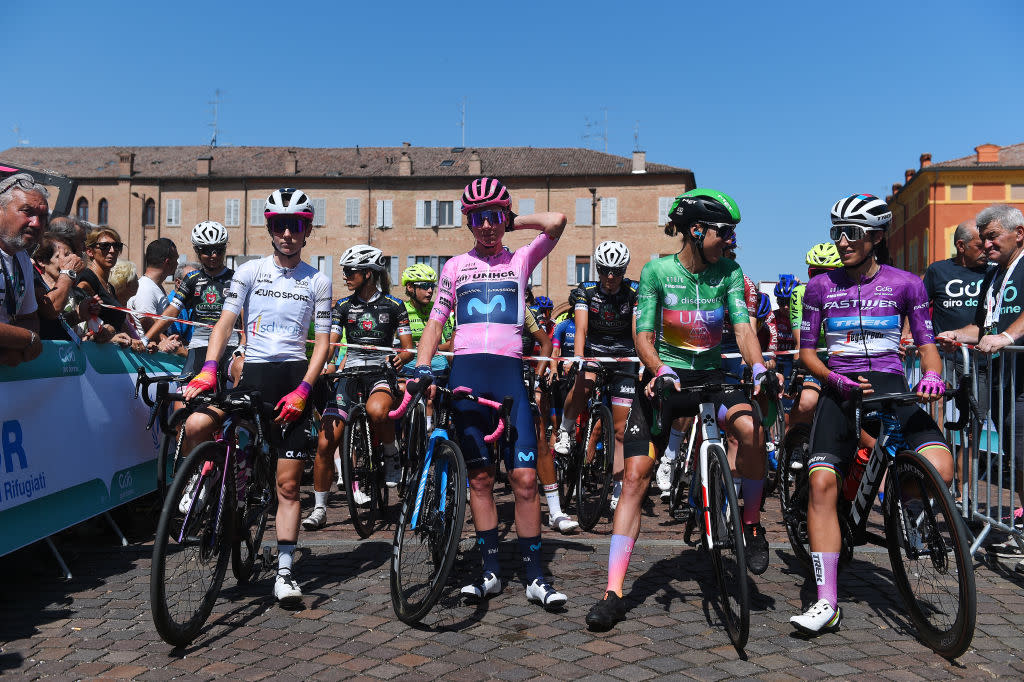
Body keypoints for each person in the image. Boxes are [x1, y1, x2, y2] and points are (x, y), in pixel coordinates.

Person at [586, 188, 774, 630]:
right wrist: (658, 368)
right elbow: (643, 337)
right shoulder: (656, 272)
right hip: (665, 380)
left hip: (713, 378)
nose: (731, 241)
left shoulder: (729, 272)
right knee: (634, 477)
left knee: (753, 432)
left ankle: (750, 524)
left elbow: (743, 330)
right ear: (695, 230)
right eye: (724, 232)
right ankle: (613, 592)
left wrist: (760, 366)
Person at [408, 177, 569, 608]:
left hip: (508, 377)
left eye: (494, 216)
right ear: (468, 221)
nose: (487, 226)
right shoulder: (454, 267)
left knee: (525, 480)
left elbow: (557, 222)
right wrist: (423, 366)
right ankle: (491, 570)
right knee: (479, 479)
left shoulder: (520, 259)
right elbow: (435, 325)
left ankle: (536, 576)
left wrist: (513, 220)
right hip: (466, 377)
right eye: (479, 218)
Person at [792, 193, 949, 634]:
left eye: (853, 233)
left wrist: (932, 375)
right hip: (839, 386)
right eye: (836, 233)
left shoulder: (907, 284)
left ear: (876, 237)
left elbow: (926, 346)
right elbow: (806, 354)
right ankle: (827, 601)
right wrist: (833, 377)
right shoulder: (820, 287)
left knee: (942, 467)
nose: (843, 241)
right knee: (821, 482)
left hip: (890, 386)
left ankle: (909, 510)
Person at [182, 187, 332, 606]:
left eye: (296, 226)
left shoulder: (318, 280)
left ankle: (284, 572)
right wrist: (210, 369)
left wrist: (305, 389)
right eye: (280, 225)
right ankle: (207, 482)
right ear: (270, 228)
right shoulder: (249, 272)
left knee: (286, 486)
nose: (287, 233)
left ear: (306, 231)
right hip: (253, 376)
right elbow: (225, 323)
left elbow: (321, 344)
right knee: (197, 423)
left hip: (293, 381)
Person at [936, 205, 1024, 568]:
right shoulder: (994, 275)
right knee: (1015, 454)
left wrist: (1007, 336)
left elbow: (1003, 329)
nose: (986, 245)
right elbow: (982, 326)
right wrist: (957, 334)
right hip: (1004, 376)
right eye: (983, 238)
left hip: (1021, 376)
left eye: (993, 237)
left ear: (1018, 233)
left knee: (1022, 451)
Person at [303, 244, 413, 530]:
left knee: (378, 411)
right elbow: (333, 344)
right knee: (326, 442)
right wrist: (321, 366)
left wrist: (400, 357)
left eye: (350, 272)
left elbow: (408, 349)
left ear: (368, 273)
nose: (346, 276)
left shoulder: (394, 305)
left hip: (380, 371)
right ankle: (319, 508)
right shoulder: (342, 306)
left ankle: (391, 453)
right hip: (350, 372)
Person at [554, 240, 638, 513]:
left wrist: (643, 360)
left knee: (620, 430)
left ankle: (617, 490)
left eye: (617, 271)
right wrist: (577, 358)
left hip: (625, 356)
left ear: (624, 270)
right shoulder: (586, 291)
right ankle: (566, 429)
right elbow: (580, 329)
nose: (611, 277)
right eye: (605, 270)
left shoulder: (634, 291)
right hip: (594, 350)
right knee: (585, 385)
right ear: (597, 269)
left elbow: (638, 331)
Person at [145, 223, 241, 376]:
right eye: (206, 250)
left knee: (239, 378)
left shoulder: (237, 278)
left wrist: (244, 346)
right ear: (197, 251)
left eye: (219, 249)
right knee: (183, 396)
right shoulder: (191, 279)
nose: (213, 255)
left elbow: (247, 316)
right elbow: (171, 312)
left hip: (230, 343)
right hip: (200, 344)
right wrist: (145, 338)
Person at [788, 243, 843, 428]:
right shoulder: (800, 293)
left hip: (844, 358)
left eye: (827, 273)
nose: (820, 279)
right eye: (815, 273)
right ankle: (791, 446)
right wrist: (799, 370)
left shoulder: (848, 292)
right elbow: (799, 339)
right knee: (806, 403)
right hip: (814, 359)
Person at [0, 174, 46, 366]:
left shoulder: (22, 258)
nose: (36, 223)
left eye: (43, 217)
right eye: (27, 212)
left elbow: (29, 317)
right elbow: (30, 334)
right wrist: (28, 340)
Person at [924, 220, 989, 338]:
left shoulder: (994, 271)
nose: (986, 250)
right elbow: (918, 305)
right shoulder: (937, 270)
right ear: (961, 246)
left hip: (984, 353)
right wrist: (908, 333)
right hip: (946, 353)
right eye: (980, 246)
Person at [30, 233, 94, 341]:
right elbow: (52, 309)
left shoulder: (76, 293)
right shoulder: (35, 284)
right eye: (62, 257)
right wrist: (67, 273)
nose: (70, 262)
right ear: (41, 261)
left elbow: (55, 326)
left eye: (71, 255)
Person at [77, 228, 136, 344]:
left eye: (117, 246)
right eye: (105, 246)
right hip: (93, 354)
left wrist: (136, 341)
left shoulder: (110, 287)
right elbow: (80, 323)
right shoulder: (86, 281)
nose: (112, 250)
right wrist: (108, 338)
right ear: (90, 251)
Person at [398, 263, 453, 378]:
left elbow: (450, 343)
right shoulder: (400, 309)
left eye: (432, 286)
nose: (430, 291)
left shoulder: (439, 309)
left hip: (439, 370)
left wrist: (431, 347)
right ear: (410, 287)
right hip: (409, 369)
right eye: (424, 286)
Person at [128, 237, 179, 343]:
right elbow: (149, 328)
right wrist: (174, 347)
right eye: (176, 259)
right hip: (148, 356)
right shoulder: (146, 289)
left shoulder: (154, 286)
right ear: (167, 262)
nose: (178, 264)